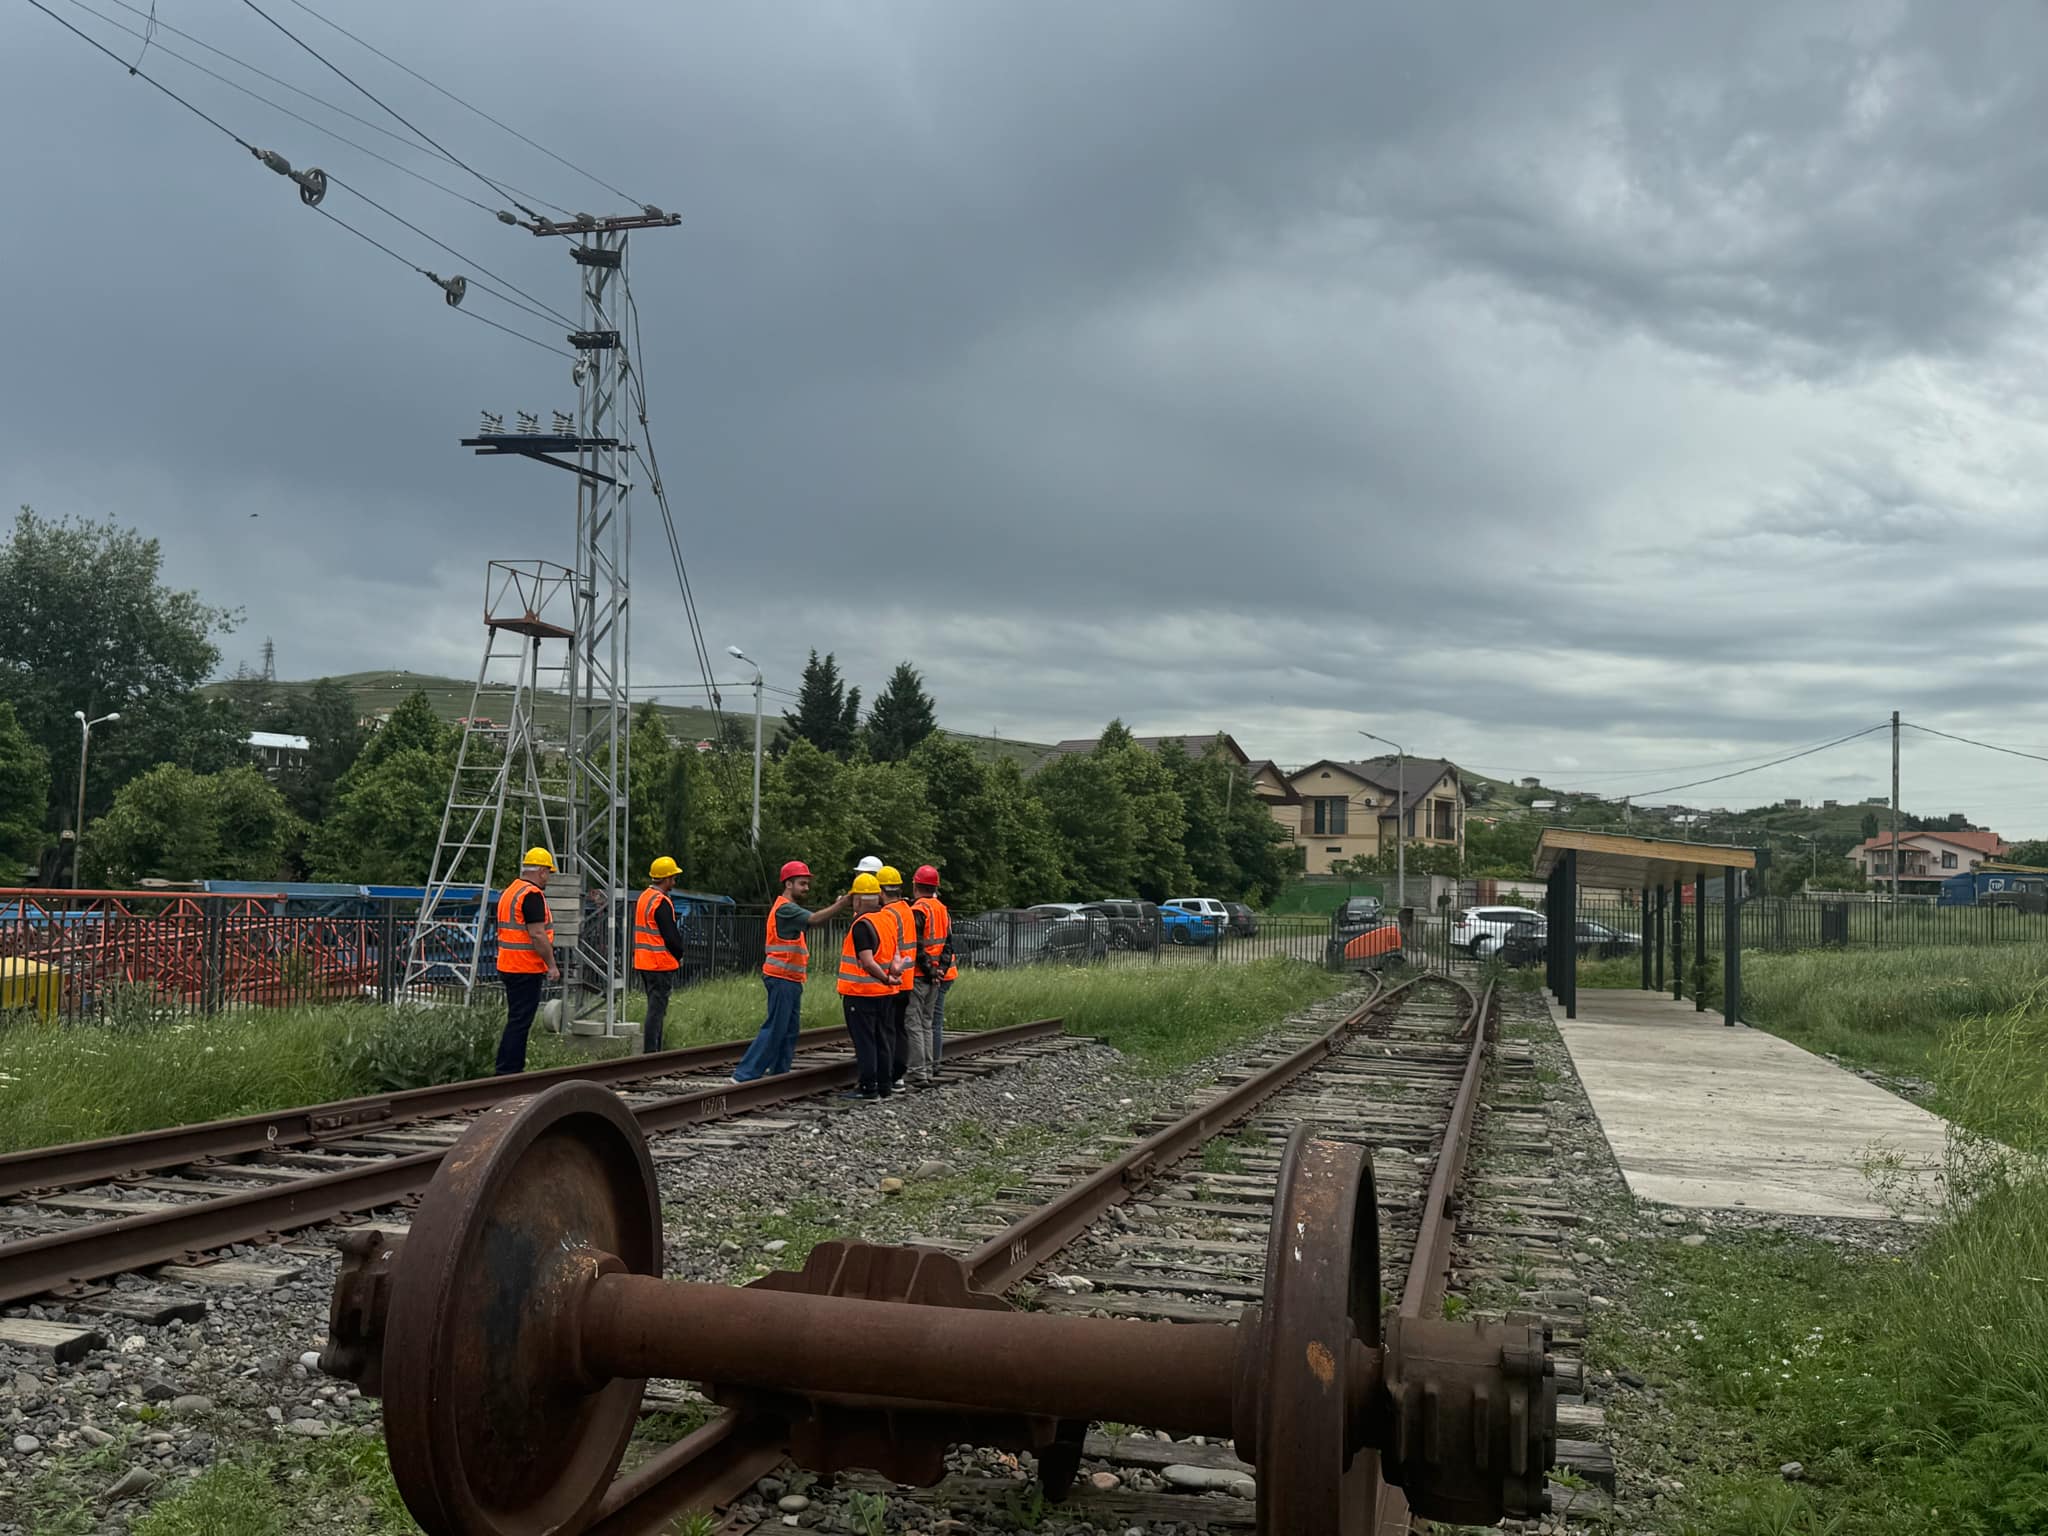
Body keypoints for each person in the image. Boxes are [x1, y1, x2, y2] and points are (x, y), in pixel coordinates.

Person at [732, 859, 851, 1083]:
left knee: (788, 1029)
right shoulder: (786, 909)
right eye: (802, 883)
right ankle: (744, 1075)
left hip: (790, 978)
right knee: (776, 1027)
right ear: (788, 884)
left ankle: (779, 1074)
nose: (806, 888)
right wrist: (843, 903)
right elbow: (815, 919)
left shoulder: (789, 909)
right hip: (781, 977)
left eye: (807, 884)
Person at [834, 872, 908, 1098]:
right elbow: (895, 954)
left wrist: (885, 977)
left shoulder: (861, 925)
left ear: (857, 899)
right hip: (885, 994)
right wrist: (894, 972)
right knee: (882, 1039)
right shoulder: (888, 919)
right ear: (878, 896)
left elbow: (867, 961)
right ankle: (884, 1086)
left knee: (865, 1041)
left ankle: (868, 1087)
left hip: (861, 993)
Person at [493, 848, 560, 1074]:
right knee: (520, 1022)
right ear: (541, 871)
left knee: (516, 1019)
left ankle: (508, 1069)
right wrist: (551, 965)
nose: (548, 878)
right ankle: (509, 1071)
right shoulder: (531, 895)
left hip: (508, 964)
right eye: (548, 873)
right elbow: (538, 934)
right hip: (525, 966)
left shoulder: (511, 891)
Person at [632, 856, 688, 1053]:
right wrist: (679, 954)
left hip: (644, 962)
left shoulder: (644, 897)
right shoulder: (660, 901)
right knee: (656, 1012)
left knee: (654, 1008)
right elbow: (671, 936)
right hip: (659, 964)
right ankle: (651, 1054)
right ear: (666, 878)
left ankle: (655, 1052)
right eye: (673, 878)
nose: (674, 882)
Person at [906, 865, 956, 1086]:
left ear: (915, 885)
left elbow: (917, 946)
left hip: (920, 975)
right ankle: (927, 1068)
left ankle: (918, 1071)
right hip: (935, 976)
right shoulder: (942, 909)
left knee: (914, 1023)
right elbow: (948, 945)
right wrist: (939, 971)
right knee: (927, 1023)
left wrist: (930, 971)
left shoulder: (918, 910)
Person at [877, 866, 919, 1091]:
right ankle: (899, 1076)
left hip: (892, 980)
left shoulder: (887, 914)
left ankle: (889, 1075)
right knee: (899, 1027)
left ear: (881, 891)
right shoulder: (906, 909)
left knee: (887, 1029)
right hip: (907, 979)